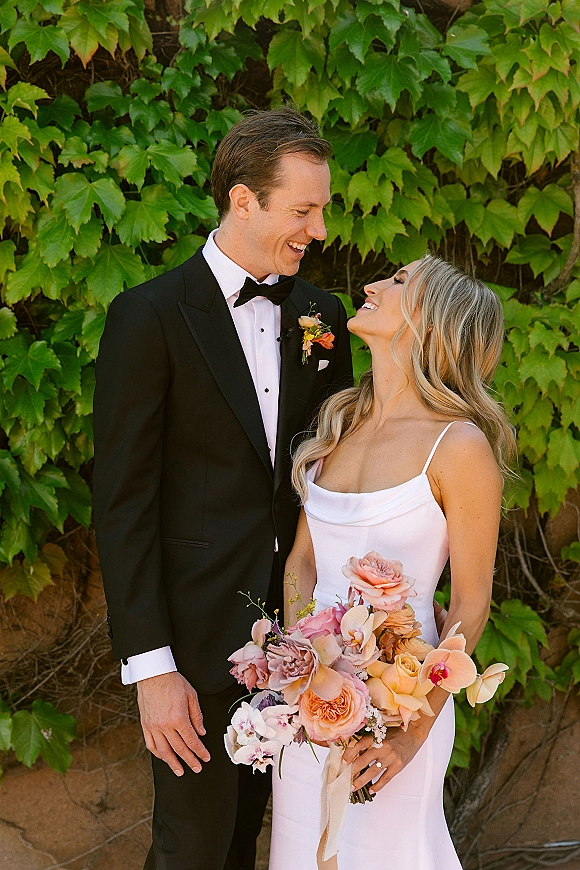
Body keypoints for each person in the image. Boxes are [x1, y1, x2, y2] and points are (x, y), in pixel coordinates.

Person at [92, 107, 353, 870]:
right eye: (303, 210)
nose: (320, 230)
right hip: (193, 648)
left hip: (304, 646)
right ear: (245, 200)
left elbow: (327, 478)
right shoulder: (147, 317)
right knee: (192, 851)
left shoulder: (323, 318)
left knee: (260, 846)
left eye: (323, 209)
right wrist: (152, 667)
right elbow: (123, 504)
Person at [270, 255, 516, 869]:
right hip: (310, 708)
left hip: (397, 710)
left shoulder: (459, 447)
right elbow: (301, 563)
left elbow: (469, 605)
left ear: (433, 322)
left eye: (400, 282)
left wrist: (409, 734)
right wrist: (302, 671)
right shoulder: (340, 424)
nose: (374, 285)